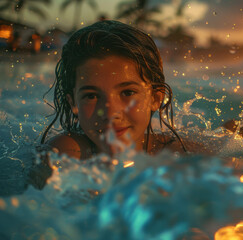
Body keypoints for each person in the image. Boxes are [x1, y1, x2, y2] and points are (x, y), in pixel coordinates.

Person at [27, 20, 188, 189]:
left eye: (127, 93)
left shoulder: (178, 153)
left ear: (155, 98)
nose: (110, 113)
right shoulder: (64, 155)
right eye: (91, 96)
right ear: (73, 102)